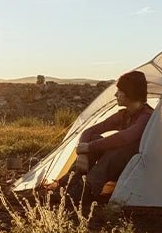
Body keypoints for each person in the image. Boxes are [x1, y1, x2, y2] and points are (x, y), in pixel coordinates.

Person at [63, 70, 153, 203]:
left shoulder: (147, 116)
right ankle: (67, 185)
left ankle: (86, 190)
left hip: (139, 170)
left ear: (129, 93)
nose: (116, 94)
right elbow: (89, 131)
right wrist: (82, 152)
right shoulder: (124, 114)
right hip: (118, 165)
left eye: (119, 91)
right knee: (94, 139)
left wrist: (88, 147)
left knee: (118, 150)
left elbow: (125, 138)